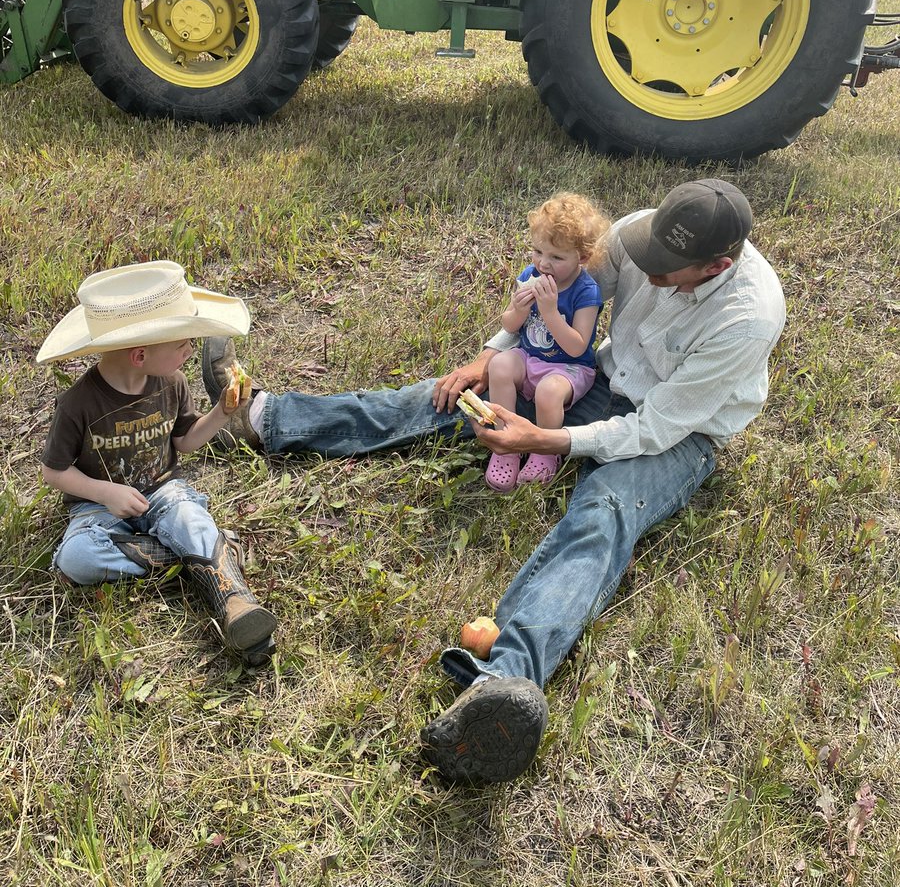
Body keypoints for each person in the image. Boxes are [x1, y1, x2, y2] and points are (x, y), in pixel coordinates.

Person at [202, 179, 786, 778]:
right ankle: (265, 418)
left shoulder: (746, 317)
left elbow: (655, 429)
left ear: (715, 266)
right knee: (455, 400)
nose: (647, 264)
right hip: (599, 382)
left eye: (664, 267)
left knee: (605, 512)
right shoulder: (644, 235)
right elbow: (556, 296)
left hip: (678, 432)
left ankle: (503, 682)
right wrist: (489, 356)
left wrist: (541, 439)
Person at [38, 260, 277, 666]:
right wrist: (105, 492)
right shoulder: (78, 403)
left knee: (187, 515)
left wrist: (222, 412)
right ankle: (203, 556)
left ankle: (236, 602)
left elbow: (185, 441)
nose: (190, 351)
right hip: (98, 509)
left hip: (163, 490)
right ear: (139, 355)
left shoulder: (172, 383)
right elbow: (54, 470)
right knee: (76, 557)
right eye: (182, 344)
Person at [484, 192, 608, 491]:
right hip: (530, 358)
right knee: (499, 365)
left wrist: (550, 312)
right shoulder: (530, 274)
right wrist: (518, 309)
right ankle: (506, 443)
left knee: (548, 392)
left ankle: (544, 451)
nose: (543, 263)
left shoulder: (586, 291)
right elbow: (509, 325)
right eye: (538, 251)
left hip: (569, 369)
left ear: (583, 258)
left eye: (556, 257)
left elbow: (577, 346)